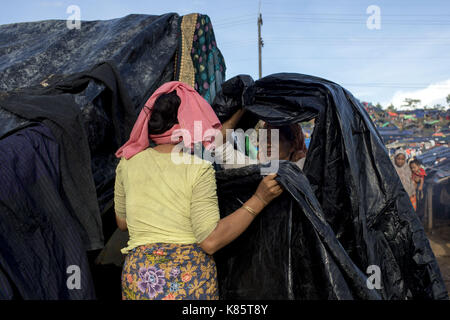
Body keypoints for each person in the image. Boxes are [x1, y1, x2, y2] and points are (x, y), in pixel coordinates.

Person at [114, 81, 284, 300]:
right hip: (186, 277)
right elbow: (210, 241)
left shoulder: (127, 163)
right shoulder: (198, 169)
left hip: (139, 277)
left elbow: (122, 222)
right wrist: (259, 199)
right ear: (187, 122)